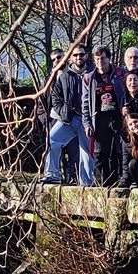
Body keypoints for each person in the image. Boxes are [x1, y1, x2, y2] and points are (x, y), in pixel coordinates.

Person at [40, 47, 95, 185]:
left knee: (86, 151)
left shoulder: (94, 74)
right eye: (75, 55)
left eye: (81, 54)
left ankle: (86, 183)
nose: (78, 57)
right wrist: (64, 112)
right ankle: (52, 175)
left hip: (87, 120)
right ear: (70, 57)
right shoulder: (66, 75)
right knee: (52, 139)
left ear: (86, 55)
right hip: (69, 119)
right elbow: (55, 96)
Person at [89, 47, 126, 186]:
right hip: (99, 119)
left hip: (117, 117)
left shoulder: (120, 73)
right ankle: (100, 182)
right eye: (97, 59)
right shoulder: (90, 77)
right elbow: (85, 102)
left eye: (103, 58)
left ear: (109, 58)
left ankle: (119, 180)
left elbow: (127, 92)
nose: (100, 61)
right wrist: (87, 123)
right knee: (100, 152)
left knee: (118, 150)